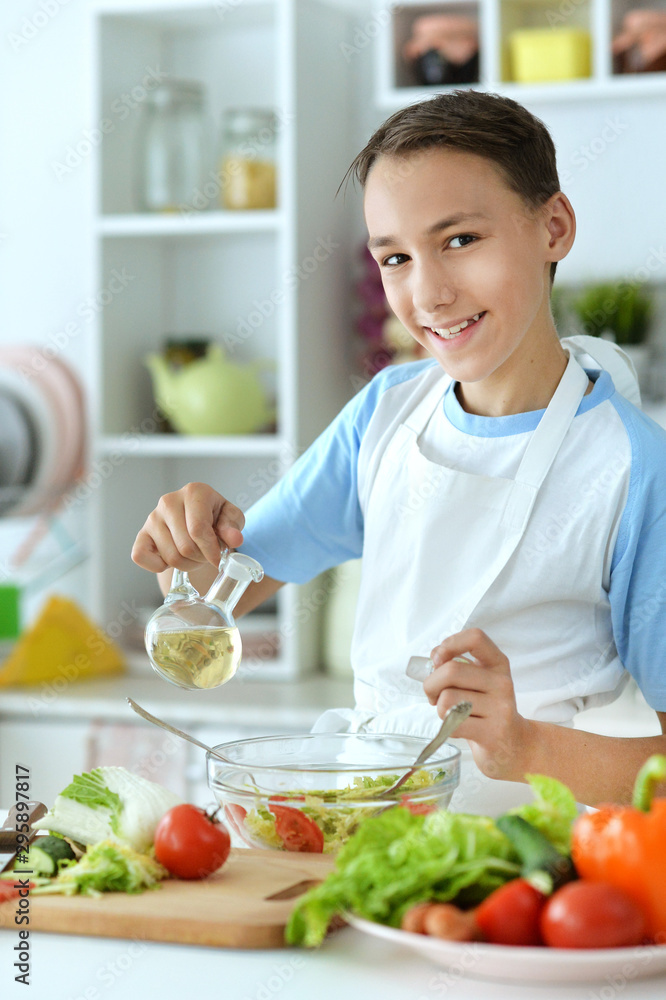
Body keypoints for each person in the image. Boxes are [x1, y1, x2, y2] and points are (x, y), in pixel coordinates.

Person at [132, 90, 666, 806]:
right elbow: (217, 597)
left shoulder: (634, 471)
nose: (429, 293)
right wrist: (188, 553)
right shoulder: (385, 415)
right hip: (371, 837)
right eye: (394, 258)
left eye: (459, 241)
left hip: (534, 872)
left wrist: (526, 746)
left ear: (554, 227)